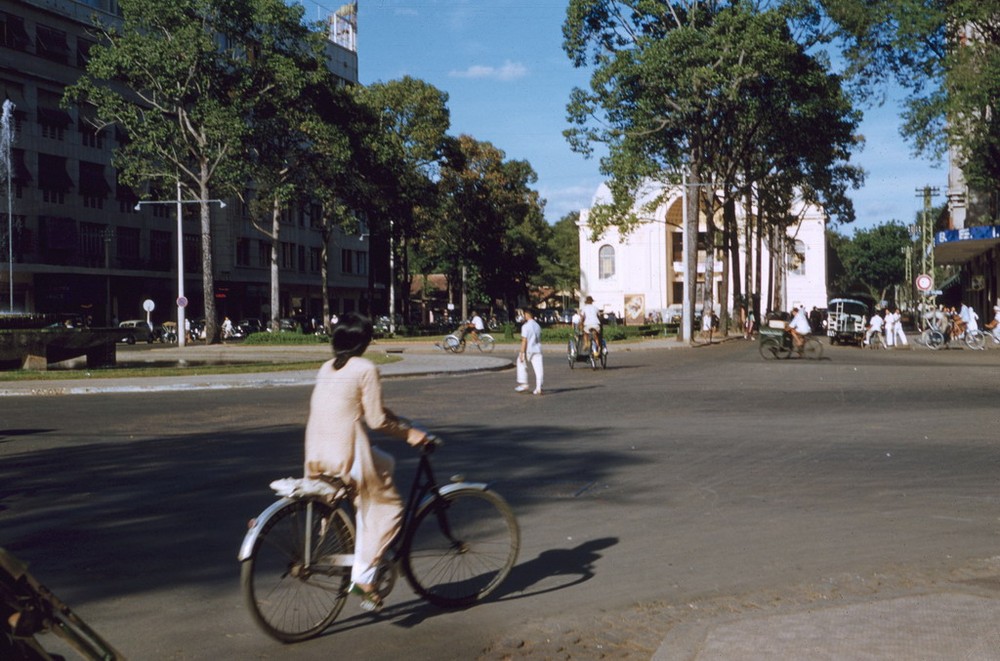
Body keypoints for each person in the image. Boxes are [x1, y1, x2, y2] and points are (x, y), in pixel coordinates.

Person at [303, 312, 427, 613]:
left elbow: (365, 405)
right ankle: (364, 578)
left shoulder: (327, 367)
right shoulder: (366, 367)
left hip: (316, 453)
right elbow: (374, 420)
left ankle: (363, 531)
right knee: (390, 507)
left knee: (384, 463)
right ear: (365, 341)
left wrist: (394, 417)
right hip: (346, 454)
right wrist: (409, 433)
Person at [515, 308, 544, 395]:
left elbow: (524, 340)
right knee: (539, 369)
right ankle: (539, 388)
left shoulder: (525, 326)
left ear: (527, 315)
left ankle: (524, 384)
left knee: (520, 363)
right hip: (538, 349)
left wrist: (521, 353)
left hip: (528, 350)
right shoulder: (538, 326)